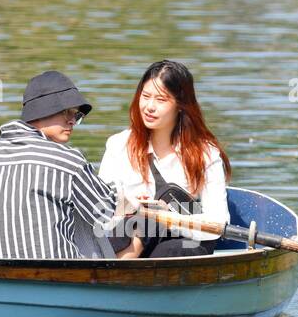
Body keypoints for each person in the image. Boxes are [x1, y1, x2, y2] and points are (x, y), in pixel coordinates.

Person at [0, 70, 137, 259]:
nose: (72, 121)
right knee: (84, 214)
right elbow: (105, 213)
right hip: (57, 277)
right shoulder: (68, 161)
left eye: (76, 115)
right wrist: (124, 197)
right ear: (43, 110)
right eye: (65, 112)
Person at [98, 60, 231, 258]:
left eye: (160, 100)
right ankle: (110, 278)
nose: (149, 107)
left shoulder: (205, 153)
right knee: (138, 223)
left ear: (180, 105)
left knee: (168, 250)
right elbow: (102, 206)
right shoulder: (119, 145)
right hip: (131, 232)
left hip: (183, 240)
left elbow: (219, 221)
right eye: (145, 96)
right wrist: (131, 205)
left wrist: (167, 217)